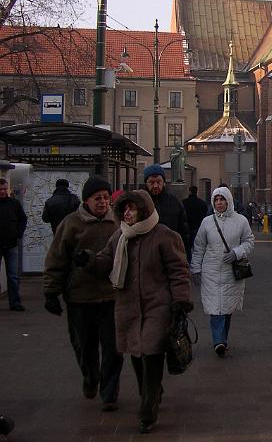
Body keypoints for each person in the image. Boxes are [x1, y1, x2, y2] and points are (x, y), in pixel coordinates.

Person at [75, 190, 192, 434]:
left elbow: (178, 271)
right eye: (124, 209)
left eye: (132, 209)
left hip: (157, 306)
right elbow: (105, 262)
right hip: (128, 305)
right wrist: (88, 261)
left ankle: (148, 411)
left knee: (151, 354)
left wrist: (181, 301)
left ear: (144, 210)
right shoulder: (119, 237)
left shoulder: (164, 236)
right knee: (137, 356)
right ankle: (152, 392)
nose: (127, 213)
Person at [43, 176, 123, 411]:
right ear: (86, 200)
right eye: (97, 198)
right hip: (80, 297)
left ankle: (109, 393)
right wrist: (51, 292)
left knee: (113, 348)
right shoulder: (71, 224)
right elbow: (56, 259)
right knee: (84, 345)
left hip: (111, 296)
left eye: (106, 198)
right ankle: (90, 377)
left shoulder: (118, 222)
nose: (103, 202)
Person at [190, 186, 254, 356]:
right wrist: (196, 268)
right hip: (210, 270)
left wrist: (236, 253)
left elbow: (249, 242)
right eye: (216, 200)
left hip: (231, 272)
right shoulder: (207, 222)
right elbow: (199, 247)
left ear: (229, 201)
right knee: (215, 307)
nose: (219, 203)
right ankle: (218, 341)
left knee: (226, 307)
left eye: (222, 199)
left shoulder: (241, 221)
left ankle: (222, 339)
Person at [143, 164, 191, 261]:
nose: (155, 185)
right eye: (151, 182)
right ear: (146, 183)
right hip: (146, 255)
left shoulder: (175, 202)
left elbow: (183, 232)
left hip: (170, 254)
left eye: (158, 181)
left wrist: (186, 256)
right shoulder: (140, 202)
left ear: (164, 182)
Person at [0, 178, 27, 311]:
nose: (3, 191)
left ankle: (15, 302)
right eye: (1, 189)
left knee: (13, 276)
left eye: (5, 189)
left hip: (11, 243)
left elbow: (23, 219)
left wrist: (18, 234)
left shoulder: (14, 203)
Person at [182, 186, 207, 264]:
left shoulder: (184, 202)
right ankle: (197, 263)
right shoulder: (202, 203)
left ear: (189, 191)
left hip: (187, 229)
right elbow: (205, 215)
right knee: (198, 248)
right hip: (198, 228)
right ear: (197, 192)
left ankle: (188, 263)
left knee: (187, 248)